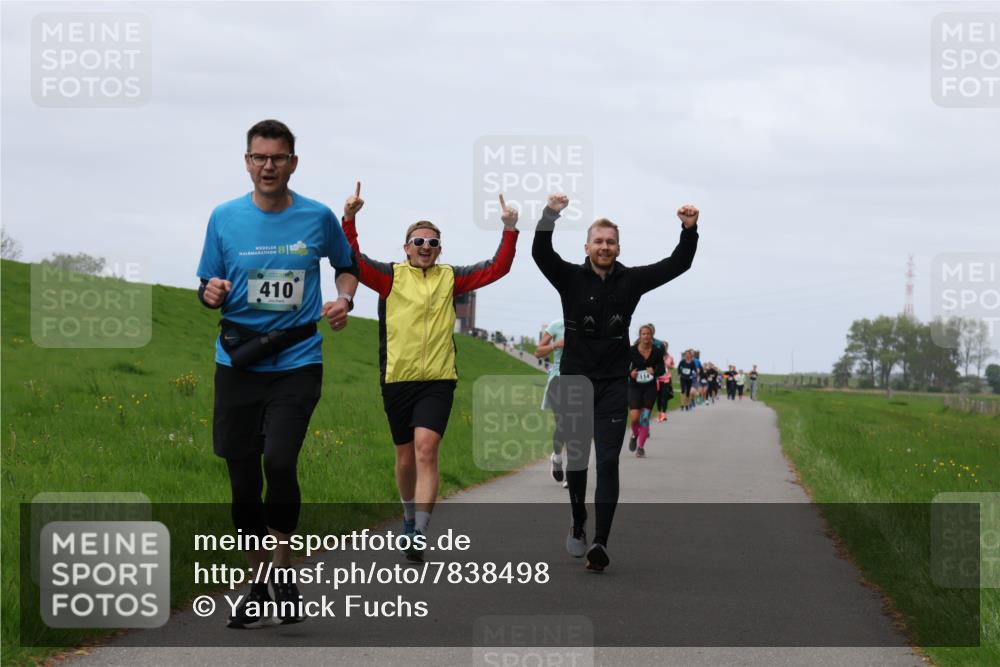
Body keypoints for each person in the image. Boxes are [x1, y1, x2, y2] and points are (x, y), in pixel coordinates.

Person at [197, 119, 359, 628]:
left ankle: (282, 572)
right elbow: (207, 283)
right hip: (238, 363)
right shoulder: (224, 218)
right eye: (259, 157)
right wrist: (212, 293)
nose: (268, 166)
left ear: (293, 162)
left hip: (297, 359)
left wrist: (344, 298)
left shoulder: (318, 217)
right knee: (243, 481)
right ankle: (258, 581)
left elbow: (346, 265)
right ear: (247, 162)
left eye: (278, 158)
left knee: (280, 460)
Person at [343, 189, 519, 562]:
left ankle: (419, 531)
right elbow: (352, 260)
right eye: (419, 241)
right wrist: (350, 219)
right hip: (397, 378)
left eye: (433, 242)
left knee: (426, 450)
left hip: (438, 379)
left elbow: (497, 268)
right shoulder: (390, 277)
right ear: (406, 247)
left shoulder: (450, 278)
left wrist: (509, 229)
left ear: (440, 250)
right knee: (405, 458)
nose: (426, 246)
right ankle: (408, 517)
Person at [532, 192, 699, 571]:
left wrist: (688, 230)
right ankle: (578, 520)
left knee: (608, 461)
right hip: (575, 380)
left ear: (618, 247)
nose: (604, 247)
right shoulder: (570, 278)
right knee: (578, 462)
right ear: (587, 246)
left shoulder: (631, 281)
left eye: (610, 242)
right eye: (598, 241)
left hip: (611, 384)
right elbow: (541, 253)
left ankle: (601, 543)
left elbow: (678, 264)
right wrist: (549, 216)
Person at [535, 318, 568, 487]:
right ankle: (557, 457)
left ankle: (572, 473)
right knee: (563, 425)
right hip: (558, 380)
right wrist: (556, 345)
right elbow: (538, 352)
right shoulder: (556, 325)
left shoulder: (588, 324)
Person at [628, 324, 665, 458]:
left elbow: (662, 369)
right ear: (640, 335)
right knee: (634, 417)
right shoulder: (631, 350)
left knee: (644, 418)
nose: (646, 336)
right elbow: (624, 366)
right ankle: (634, 435)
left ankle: (641, 447)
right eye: (643, 334)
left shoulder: (657, 351)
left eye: (648, 334)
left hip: (649, 387)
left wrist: (654, 371)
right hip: (634, 387)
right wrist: (630, 373)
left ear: (651, 336)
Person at [655, 339, 674, 422]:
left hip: (666, 378)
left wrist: (669, 365)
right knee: (658, 397)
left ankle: (664, 414)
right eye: (663, 346)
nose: (664, 347)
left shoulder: (670, 357)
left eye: (666, 346)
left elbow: (673, 366)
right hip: (658, 379)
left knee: (664, 397)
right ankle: (659, 414)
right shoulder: (656, 355)